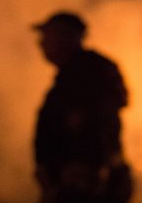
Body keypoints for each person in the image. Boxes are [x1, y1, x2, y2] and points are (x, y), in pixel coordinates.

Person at [32, 12, 132, 203]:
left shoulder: (87, 75)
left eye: (47, 36)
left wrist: (81, 172)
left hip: (82, 188)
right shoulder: (76, 74)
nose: (41, 43)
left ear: (64, 37)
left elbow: (97, 125)